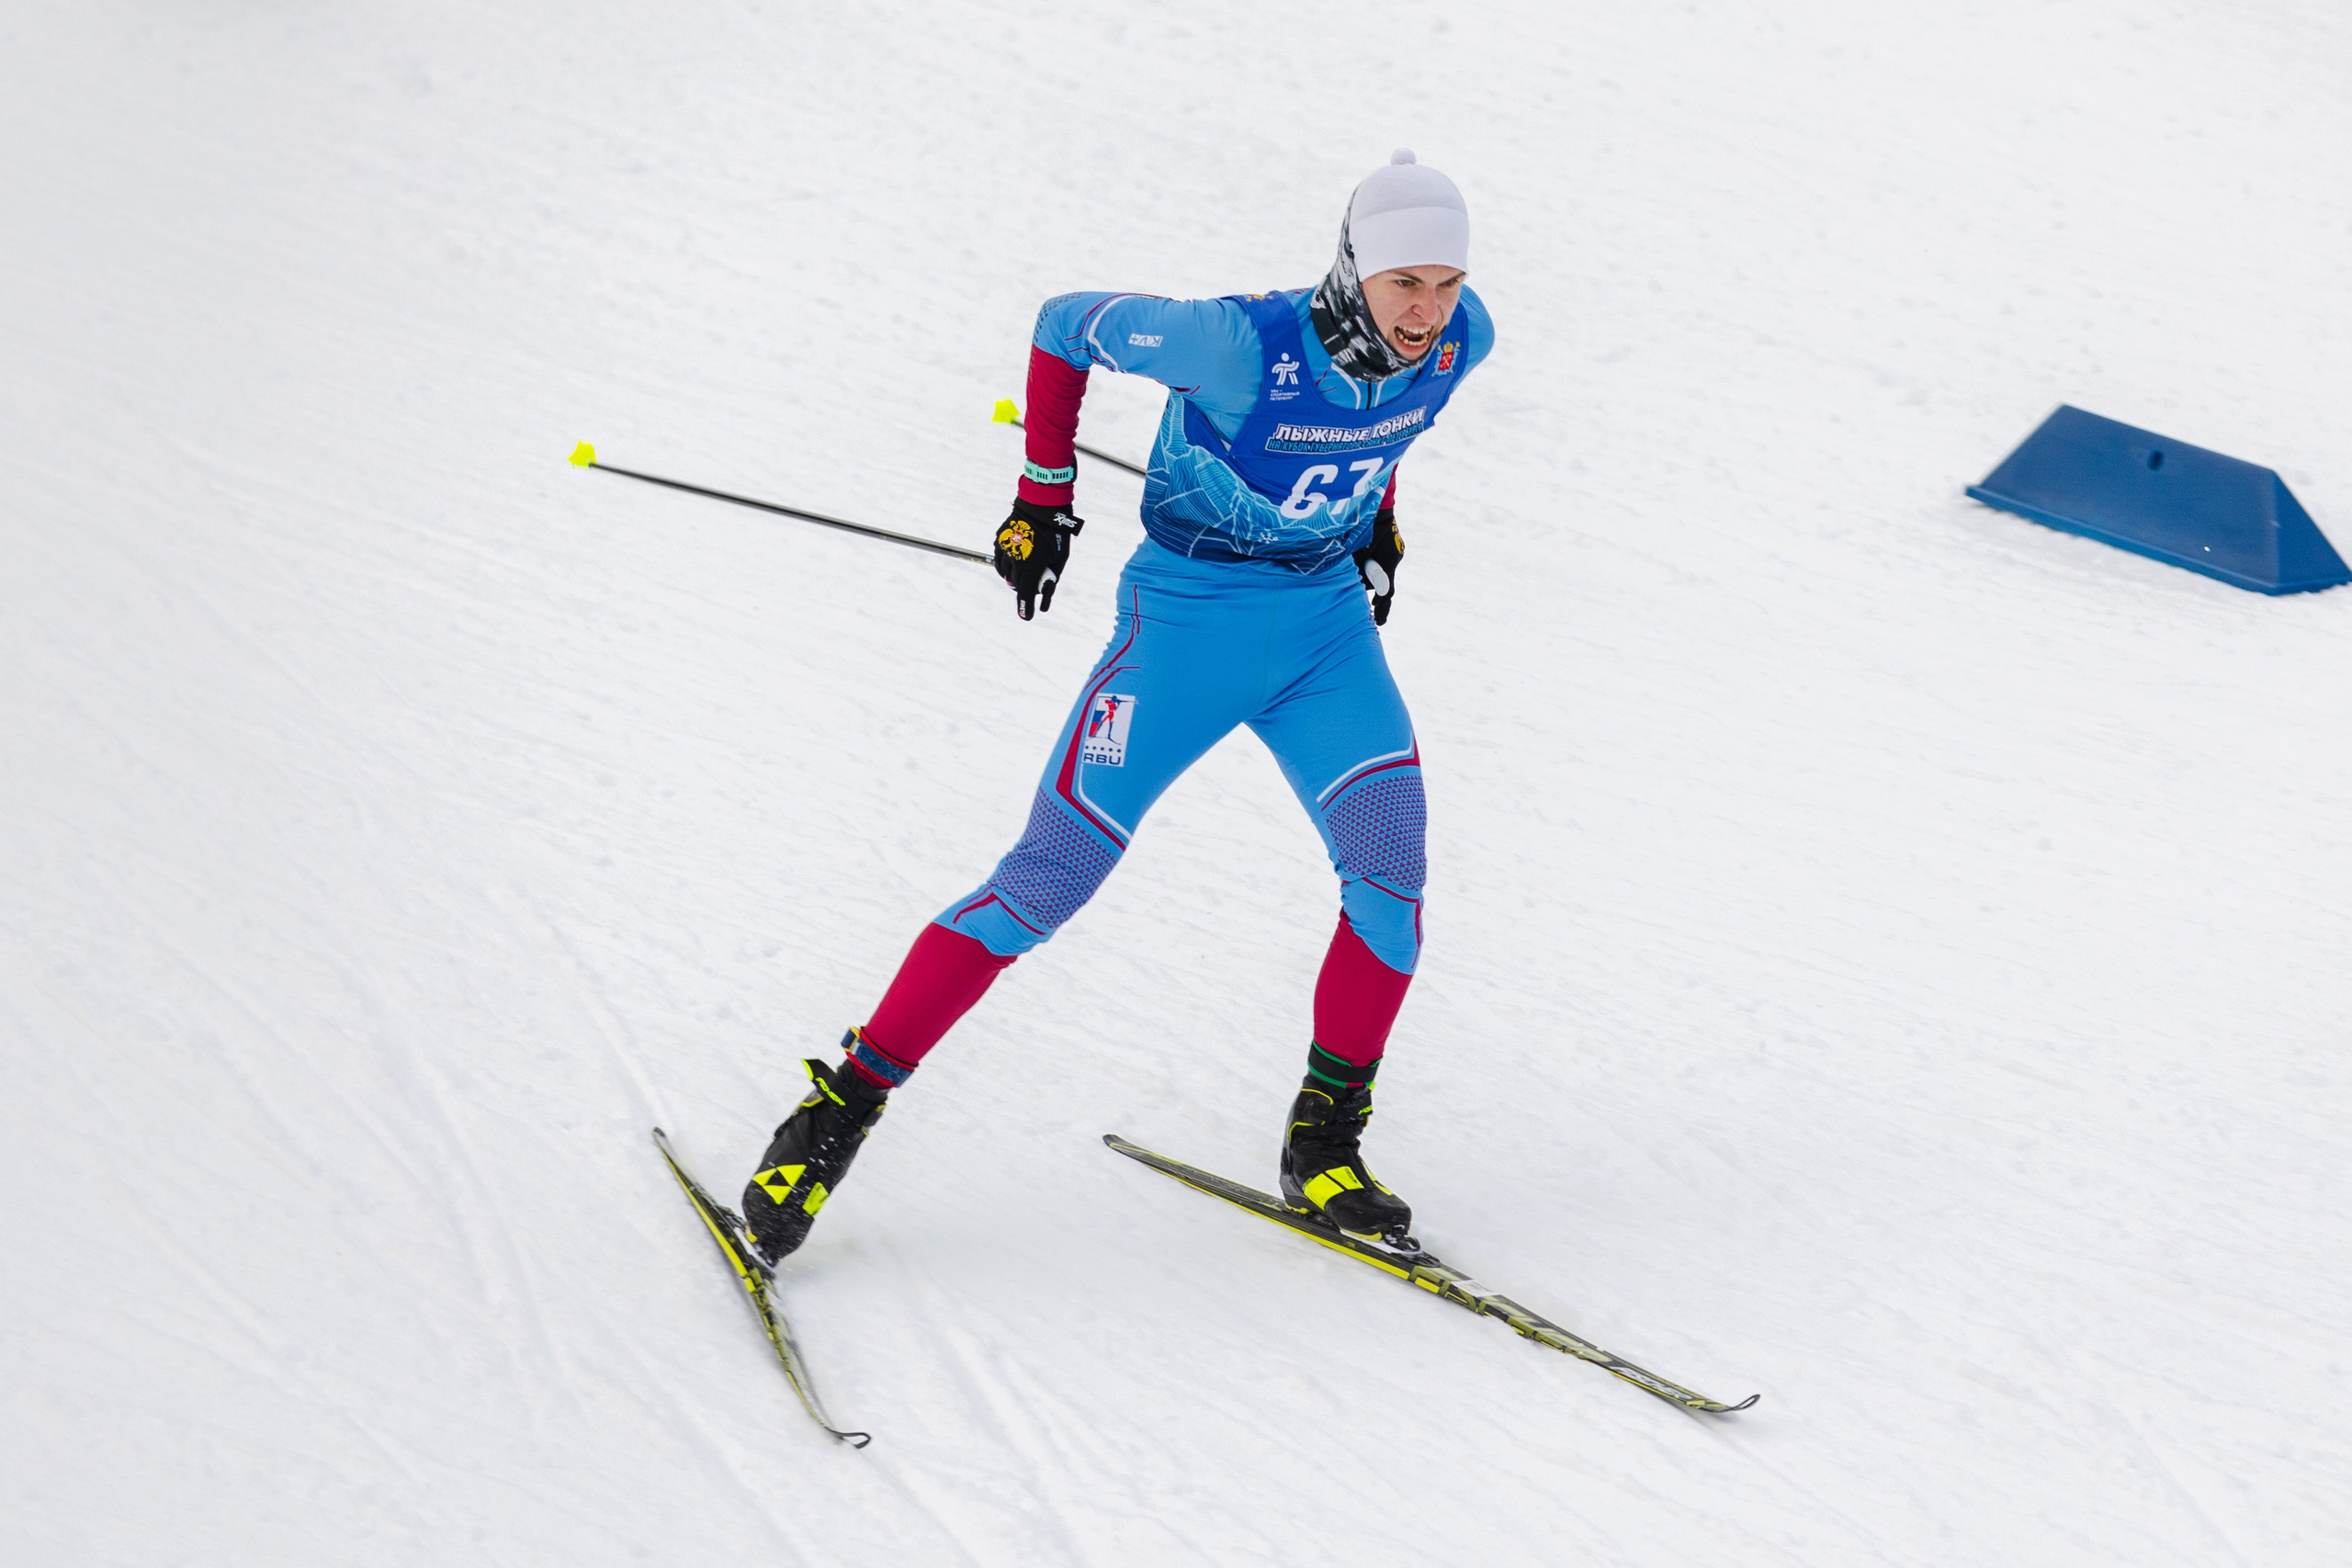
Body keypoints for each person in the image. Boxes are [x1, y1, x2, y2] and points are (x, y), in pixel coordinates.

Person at [741, 151, 1495, 1261]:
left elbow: (1385, 436)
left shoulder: (1463, 340)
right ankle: (836, 1112)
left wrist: (1374, 525)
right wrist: (1042, 494)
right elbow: (1063, 323)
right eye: (1403, 285)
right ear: (1351, 267)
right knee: (1046, 882)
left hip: (1325, 638)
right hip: (1186, 632)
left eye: (1443, 283)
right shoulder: (1237, 343)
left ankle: (1324, 1146)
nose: (1426, 312)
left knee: (1391, 879)